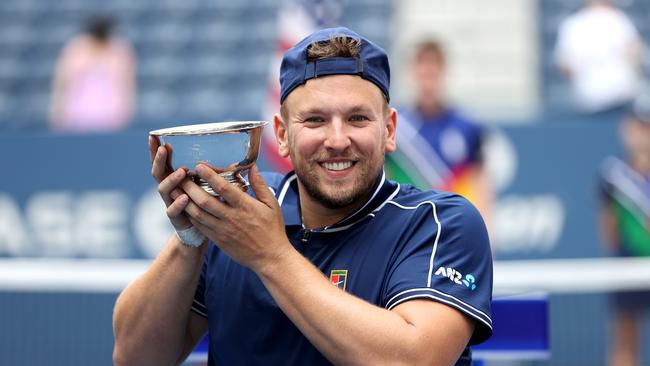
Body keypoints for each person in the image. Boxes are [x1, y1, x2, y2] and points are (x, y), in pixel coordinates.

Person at [113, 27, 493, 365]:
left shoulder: (438, 223)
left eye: (358, 118)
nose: (338, 139)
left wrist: (271, 256)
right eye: (315, 120)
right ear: (281, 134)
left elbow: (416, 359)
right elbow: (134, 357)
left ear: (389, 130)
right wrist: (190, 238)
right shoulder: (237, 216)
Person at [385, 39, 493, 224]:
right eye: (423, 75)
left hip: (453, 226)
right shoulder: (395, 125)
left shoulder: (467, 127)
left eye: (433, 75)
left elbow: (480, 186)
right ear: (413, 74)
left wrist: (487, 232)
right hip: (409, 227)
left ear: (443, 73)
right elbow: (385, 178)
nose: (427, 84)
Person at [599, 97, 650, 366]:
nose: (643, 134)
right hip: (628, 268)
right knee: (625, 341)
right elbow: (609, 229)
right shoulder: (612, 175)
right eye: (638, 126)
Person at [554, 0, 644, 116]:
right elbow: (565, 66)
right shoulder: (573, 25)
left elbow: (634, 53)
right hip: (589, 100)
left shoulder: (619, 19)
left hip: (619, 99)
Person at [49, 14, 136, 132]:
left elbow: (127, 84)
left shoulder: (119, 50)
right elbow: (63, 81)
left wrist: (126, 110)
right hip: (78, 115)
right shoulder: (76, 49)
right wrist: (58, 110)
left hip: (111, 116)